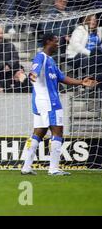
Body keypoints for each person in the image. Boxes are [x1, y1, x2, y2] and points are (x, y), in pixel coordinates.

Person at [21, 33, 97, 176]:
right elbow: (34, 72)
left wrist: (81, 82)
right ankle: (54, 169)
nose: (58, 44)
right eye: (56, 42)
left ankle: (26, 167)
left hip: (40, 102)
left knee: (39, 132)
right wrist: (32, 76)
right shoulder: (41, 56)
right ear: (48, 42)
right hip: (49, 101)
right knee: (58, 132)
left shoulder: (50, 60)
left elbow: (62, 77)